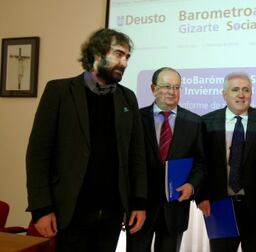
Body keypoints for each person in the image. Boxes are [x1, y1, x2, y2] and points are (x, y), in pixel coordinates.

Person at [25, 28, 147, 252]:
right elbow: (38, 154)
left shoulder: (127, 97)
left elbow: (136, 155)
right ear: (97, 54)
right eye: (119, 54)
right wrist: (41, 208)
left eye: (127, 57)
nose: (125, 62)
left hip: (111, 212)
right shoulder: (59, 91)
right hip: (70, 211)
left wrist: (139, 202)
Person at [196, 72, 256, 252]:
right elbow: (200, 162)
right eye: (235, 89)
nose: (241, 95)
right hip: (220, 208)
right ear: (224, 94)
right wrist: (201, 196)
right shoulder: (207, 122)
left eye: (246, 90)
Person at [127, 67, 205, 252]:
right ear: (153, 88)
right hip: (140, 207)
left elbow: (201, 163)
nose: (172, 92)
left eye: (177, 87)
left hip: (175, 208)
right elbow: (128, 163)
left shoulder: (194, 122)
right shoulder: (135, 118)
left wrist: (192, 185)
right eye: (167, 86)